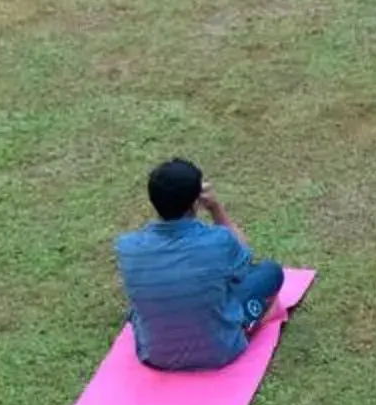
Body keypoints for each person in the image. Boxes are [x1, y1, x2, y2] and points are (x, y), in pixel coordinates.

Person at [113, 157, 287, 372]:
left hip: (154, 355)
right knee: (270, 272)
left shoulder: (126, 247)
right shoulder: (219, 242)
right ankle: (248, 324)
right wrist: (216, 209)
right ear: (196, 201)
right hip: (220, 351)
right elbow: (245, 258)